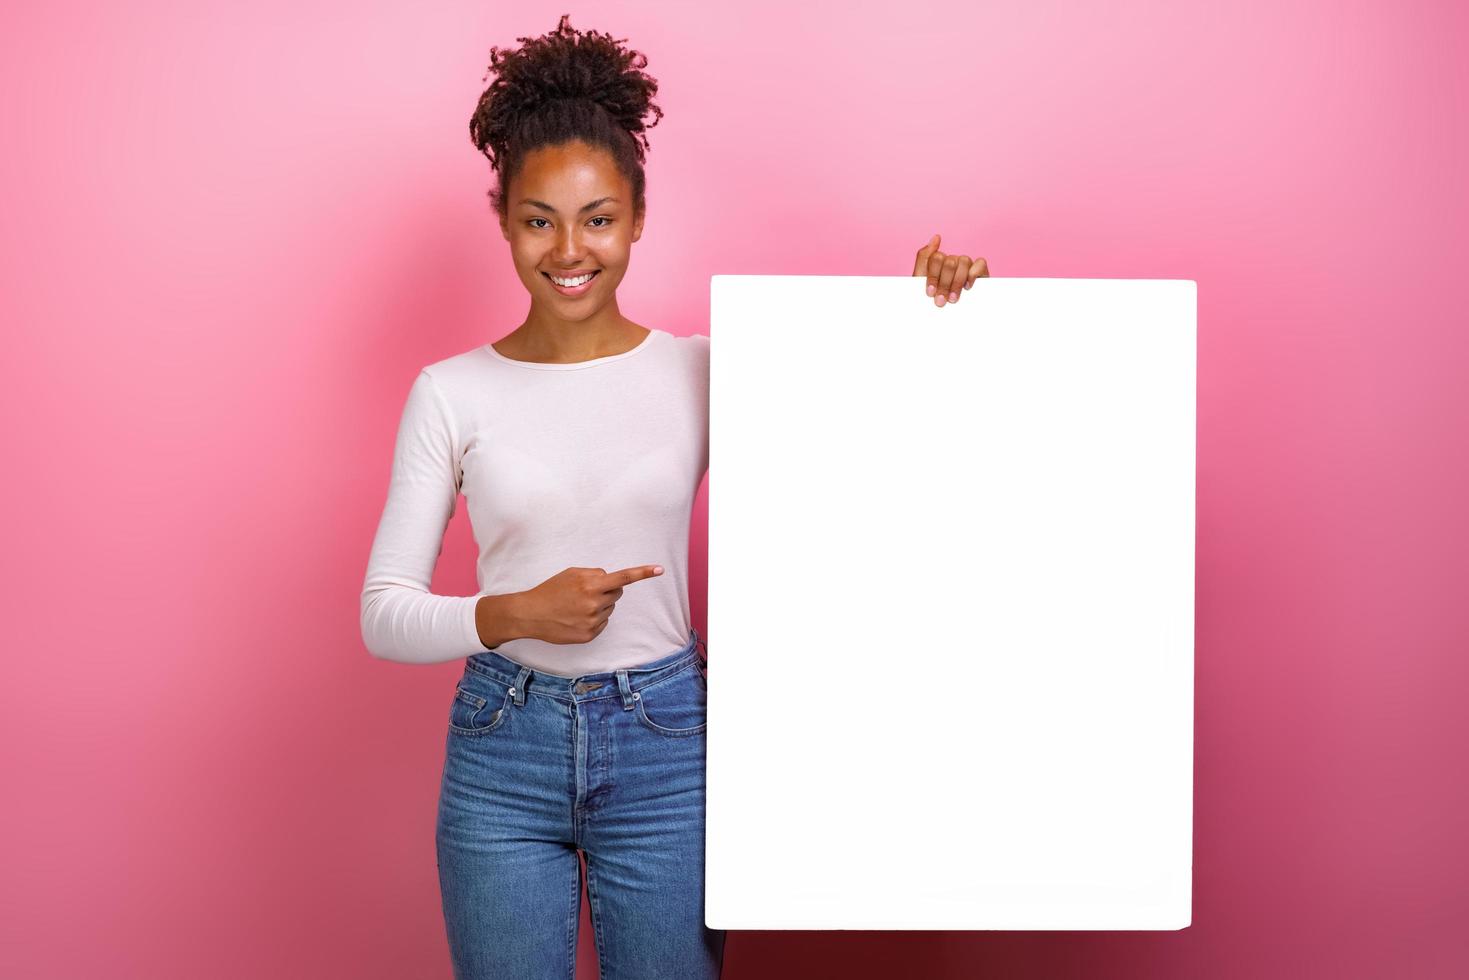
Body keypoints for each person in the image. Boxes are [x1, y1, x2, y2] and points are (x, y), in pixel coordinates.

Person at [359, 13, 988, 980]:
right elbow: (384, 612)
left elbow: (871, 464)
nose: (569, 249)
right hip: (503, 750)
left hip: (668, 748)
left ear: (637, 217)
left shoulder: (703, 371)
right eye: (539, 219)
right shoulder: (452, 391)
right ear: (505, 221)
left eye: (598, 218)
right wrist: (515, 612)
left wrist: (925, 313)